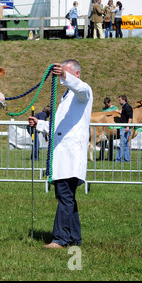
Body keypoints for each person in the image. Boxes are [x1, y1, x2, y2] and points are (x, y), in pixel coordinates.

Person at [29, 60, 93, 249]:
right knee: (66, 197)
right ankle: (74, 237)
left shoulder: (83, 92)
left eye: (64, 73)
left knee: (65, 196)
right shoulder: (66, 97)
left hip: (71, 156)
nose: (60, 77)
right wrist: (39, 124)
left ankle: (60, 239)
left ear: (77, 74)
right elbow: (59, 126)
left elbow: (79, 87)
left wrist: (65, 76)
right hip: (63, 156)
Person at [116, 94, 133, 162]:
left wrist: (127, 126)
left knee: (122, 144)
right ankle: (127, 159)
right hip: (125, 127)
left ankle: (118, 159)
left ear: (124, 100)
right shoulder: (125, 107)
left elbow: (130, 118)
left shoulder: (127, 107)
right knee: (125, 144)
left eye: (120, 100)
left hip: (125, 128)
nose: (119, 101)